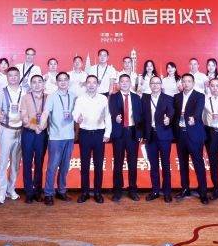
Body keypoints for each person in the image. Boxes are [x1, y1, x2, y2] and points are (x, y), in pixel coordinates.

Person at [73, 75, 111, 203]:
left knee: (98, 165)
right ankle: (84, 192)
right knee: (84, 165)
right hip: (85, 134)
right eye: (88, 82)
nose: (91, 85)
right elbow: (75, 113)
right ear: (85, 84)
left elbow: (108, 116)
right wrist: (77, 118)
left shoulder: (103, 98)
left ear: (97, 85)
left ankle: (97, 192)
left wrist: (107, 133)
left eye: (94, 82)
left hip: (99, 134)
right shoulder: (80, 98)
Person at [41, 72, 76, 205]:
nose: (63, 82)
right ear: (56, 82)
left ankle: (61, 191)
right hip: (55, 137)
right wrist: (41, 125)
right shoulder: (52, 97)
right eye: (60, 80)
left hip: (69, 136)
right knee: (52, 166)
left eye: (65, 79)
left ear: (68, 81)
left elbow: (78, 113)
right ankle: (48, 193)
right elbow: (45, 113)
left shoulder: (73, 96)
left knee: (65, 166)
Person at [173, 73, 209, 205]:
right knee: (183, 164)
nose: (186, 83)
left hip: (194, 134)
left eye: (189, 81)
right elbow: (174, 115)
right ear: (181, 83)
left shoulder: (199, 96)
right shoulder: (176, 97)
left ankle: (203, 192)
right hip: (180, 134)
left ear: (193, 83)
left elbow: (198, 111)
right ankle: (185, 188)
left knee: (198, 163)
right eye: (184, 81)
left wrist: (194, 117)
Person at [0, 66, 25, 205]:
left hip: (21, 130)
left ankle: (11, 189)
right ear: (7, 77)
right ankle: (1, 193)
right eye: (10, 75)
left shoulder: (25, 91)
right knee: (2, 162)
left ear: (19, 76)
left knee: (15, 163)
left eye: (15, 75)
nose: (13, 78)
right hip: (6, 130)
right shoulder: (1, 92)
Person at [108, 73, 143, 201]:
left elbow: (140, 116)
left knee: (132, 163)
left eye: (126, 81)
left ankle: (132, 189)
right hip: (119, 133)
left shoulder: (136, 98)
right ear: (119, 83)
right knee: (118, 162)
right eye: (122, 81)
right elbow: (111, 112)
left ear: (130, 83)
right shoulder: (113, 97)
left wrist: (140, 133)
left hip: (132, 133)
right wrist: (115, 118)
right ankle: (117, 190)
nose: (124, 83)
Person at [141, 76, 175, 202]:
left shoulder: (168, 98)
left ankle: (167, 192)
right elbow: (142, 117)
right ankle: (155, 190)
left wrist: (169, 119)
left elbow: (172, 113)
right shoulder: (144, 99)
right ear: (150, 85)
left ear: (161, 85)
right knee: (153, 165)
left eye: (157, 83)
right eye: (153, 83)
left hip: (164, 135)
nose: (155, 85)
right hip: (150, 136)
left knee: (165, 164)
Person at [20, 74, 49, 203]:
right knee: (27, 163)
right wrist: (35, 126)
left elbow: (49, 116)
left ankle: (37, 191)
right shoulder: (25, 98)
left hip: (42, 134)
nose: (37, 84)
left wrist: (41, 127)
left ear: (43, 84)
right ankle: (28, 192)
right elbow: (24, 117)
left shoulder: (48, 98)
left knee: (39, 163)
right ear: (31, 85)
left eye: (39, 82)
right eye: (34, 82)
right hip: (28, 133)